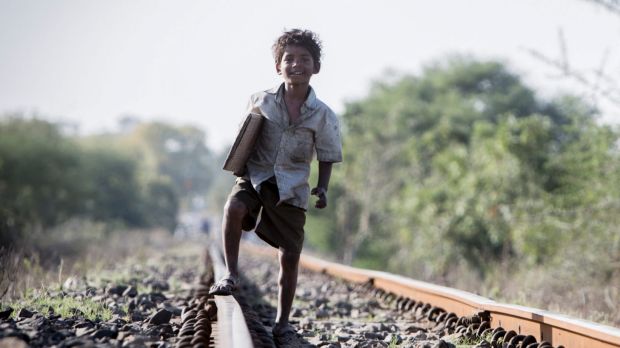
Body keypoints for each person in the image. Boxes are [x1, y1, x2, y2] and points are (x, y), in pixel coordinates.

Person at [209, 28, 342, 344]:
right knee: (234, 207)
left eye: (305, 59)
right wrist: (239, 168)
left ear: (316, 67)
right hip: (256, 176)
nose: (297, 65)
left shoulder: (324, 115)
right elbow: (245, 137)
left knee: (290, 255)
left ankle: (283, 322)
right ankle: (231, 274)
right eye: (289, 59)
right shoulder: (261, 101)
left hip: (293, 187)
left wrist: (322, 188)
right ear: (278, 67)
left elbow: (327, 154)